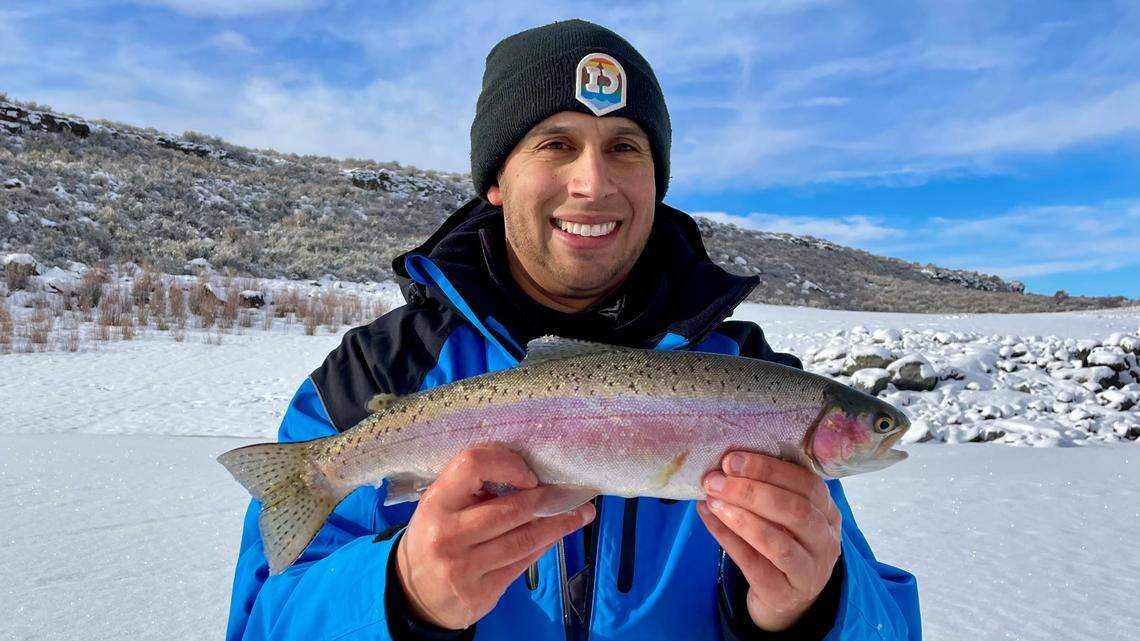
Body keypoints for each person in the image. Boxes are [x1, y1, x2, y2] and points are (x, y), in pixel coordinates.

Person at [225, 19, 920, 641]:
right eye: (556, 143)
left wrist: (814, 609)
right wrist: (398, 597)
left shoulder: (758, 378)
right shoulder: (376, 374)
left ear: (657, 180)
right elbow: (263, 622)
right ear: (496, 179)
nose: (593, 182)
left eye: (625, 146)